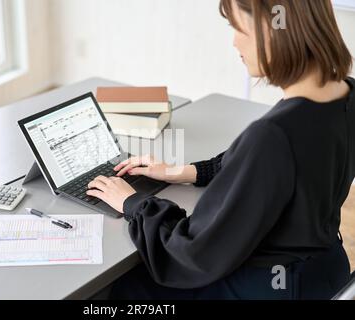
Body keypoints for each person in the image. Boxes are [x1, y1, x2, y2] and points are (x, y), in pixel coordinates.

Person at [86, 0, 354, 299]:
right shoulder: (346, 95)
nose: (234, 41)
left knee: (126, 288)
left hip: (272, 288)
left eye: (238, 28)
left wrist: (133, 203)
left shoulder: (272, 136)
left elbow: (193, 252)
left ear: (273, 30)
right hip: (327, 273)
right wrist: (180, 171)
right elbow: (268, 170)